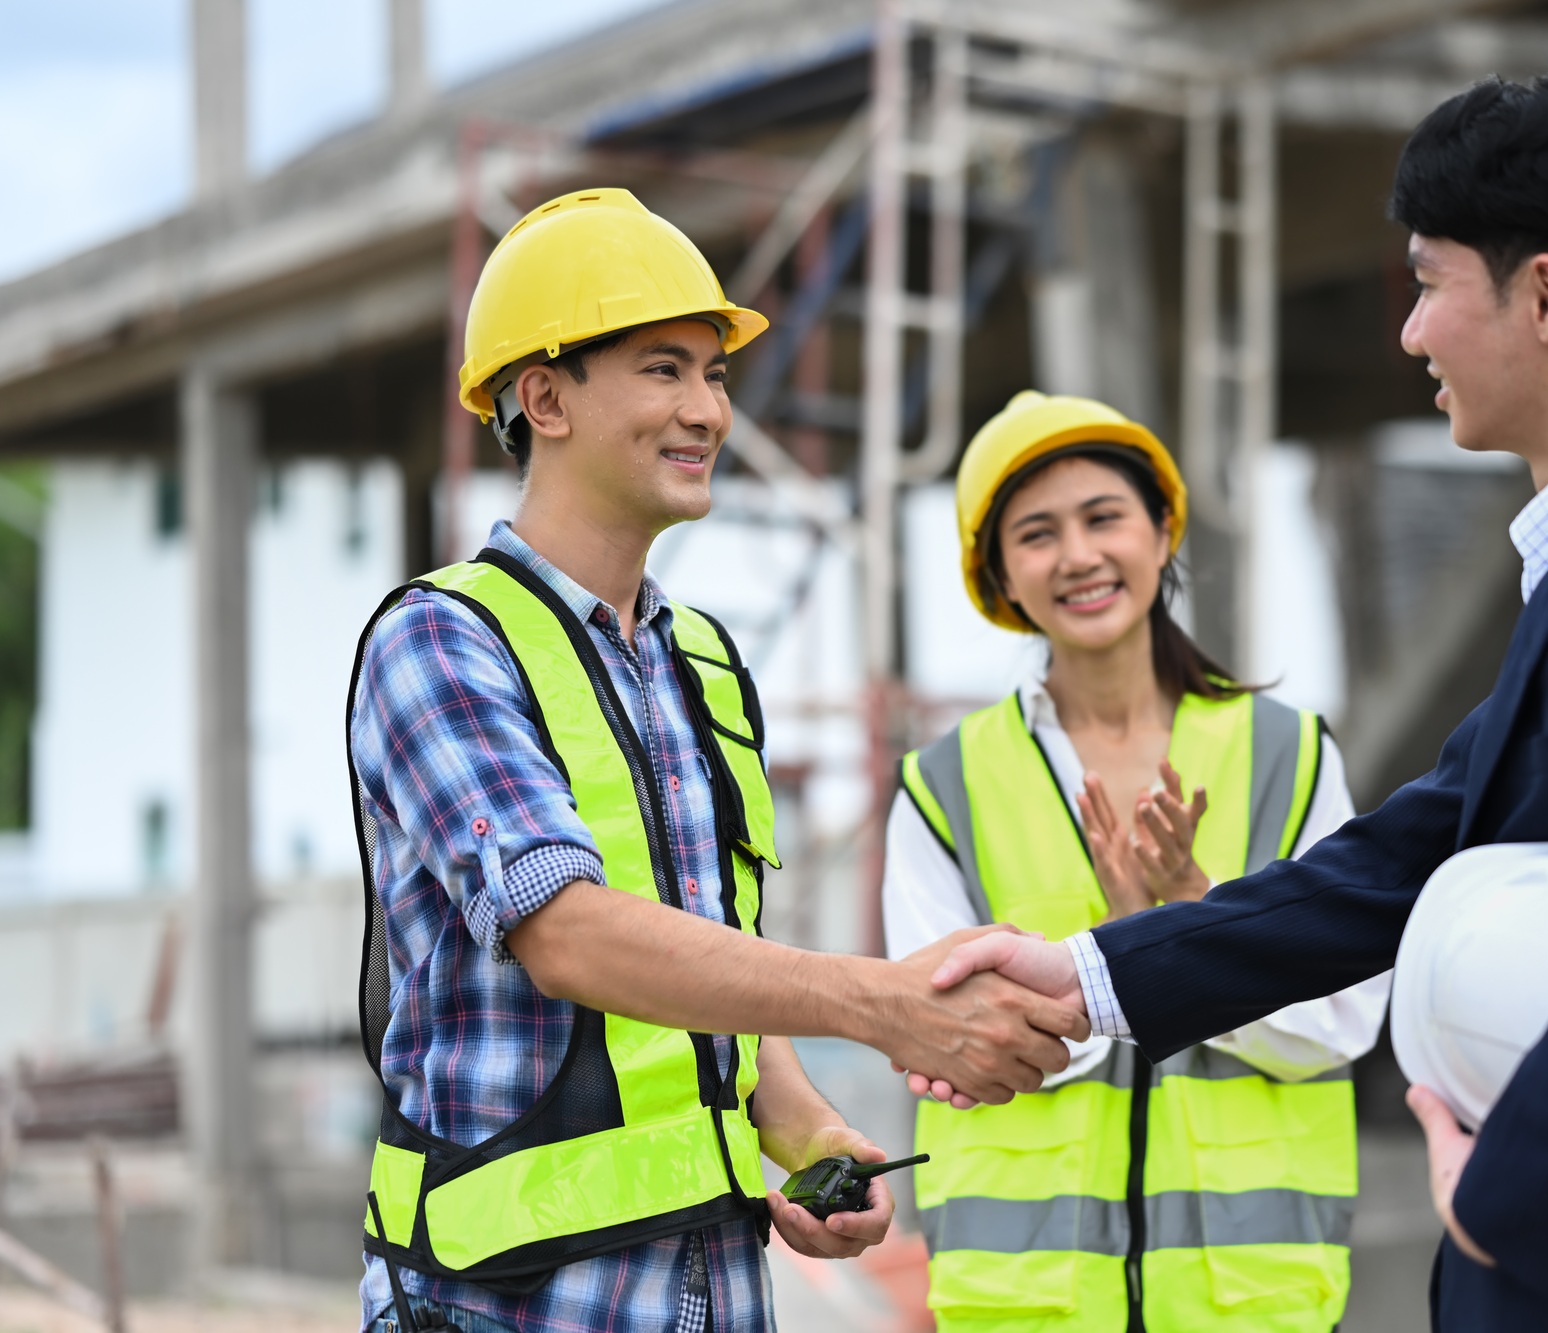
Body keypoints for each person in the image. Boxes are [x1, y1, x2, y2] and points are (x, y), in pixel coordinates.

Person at [911, 77, 1548, 1332]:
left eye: (1426, 283)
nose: (1408, 333)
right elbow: (1403, 856)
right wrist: (1087, 973)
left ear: (1542, 296)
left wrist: (1505, 1202)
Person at [346, 189, 1083, 1333]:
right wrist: (880, 1002)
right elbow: (568, 933)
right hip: (505, 1306)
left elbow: (714, 954)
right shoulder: (441, 640)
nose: (707, 411)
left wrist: (802, 1126)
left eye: (714, 374)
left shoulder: (701, 659)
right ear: (542, 396)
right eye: (662, 370)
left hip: (712, 1292)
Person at [883, 391, 1391, 1332]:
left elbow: (1344, 1022)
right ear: (1000, 577)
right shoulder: (943, 785)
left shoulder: (1292, 755)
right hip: (1026, 1307)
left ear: (1162, 533)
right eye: (1036, 533)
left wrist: (1192, 914)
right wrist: (1132, 953)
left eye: (1104, 517)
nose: (1077, 555)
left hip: (1251, 1304)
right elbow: (941, 1033)